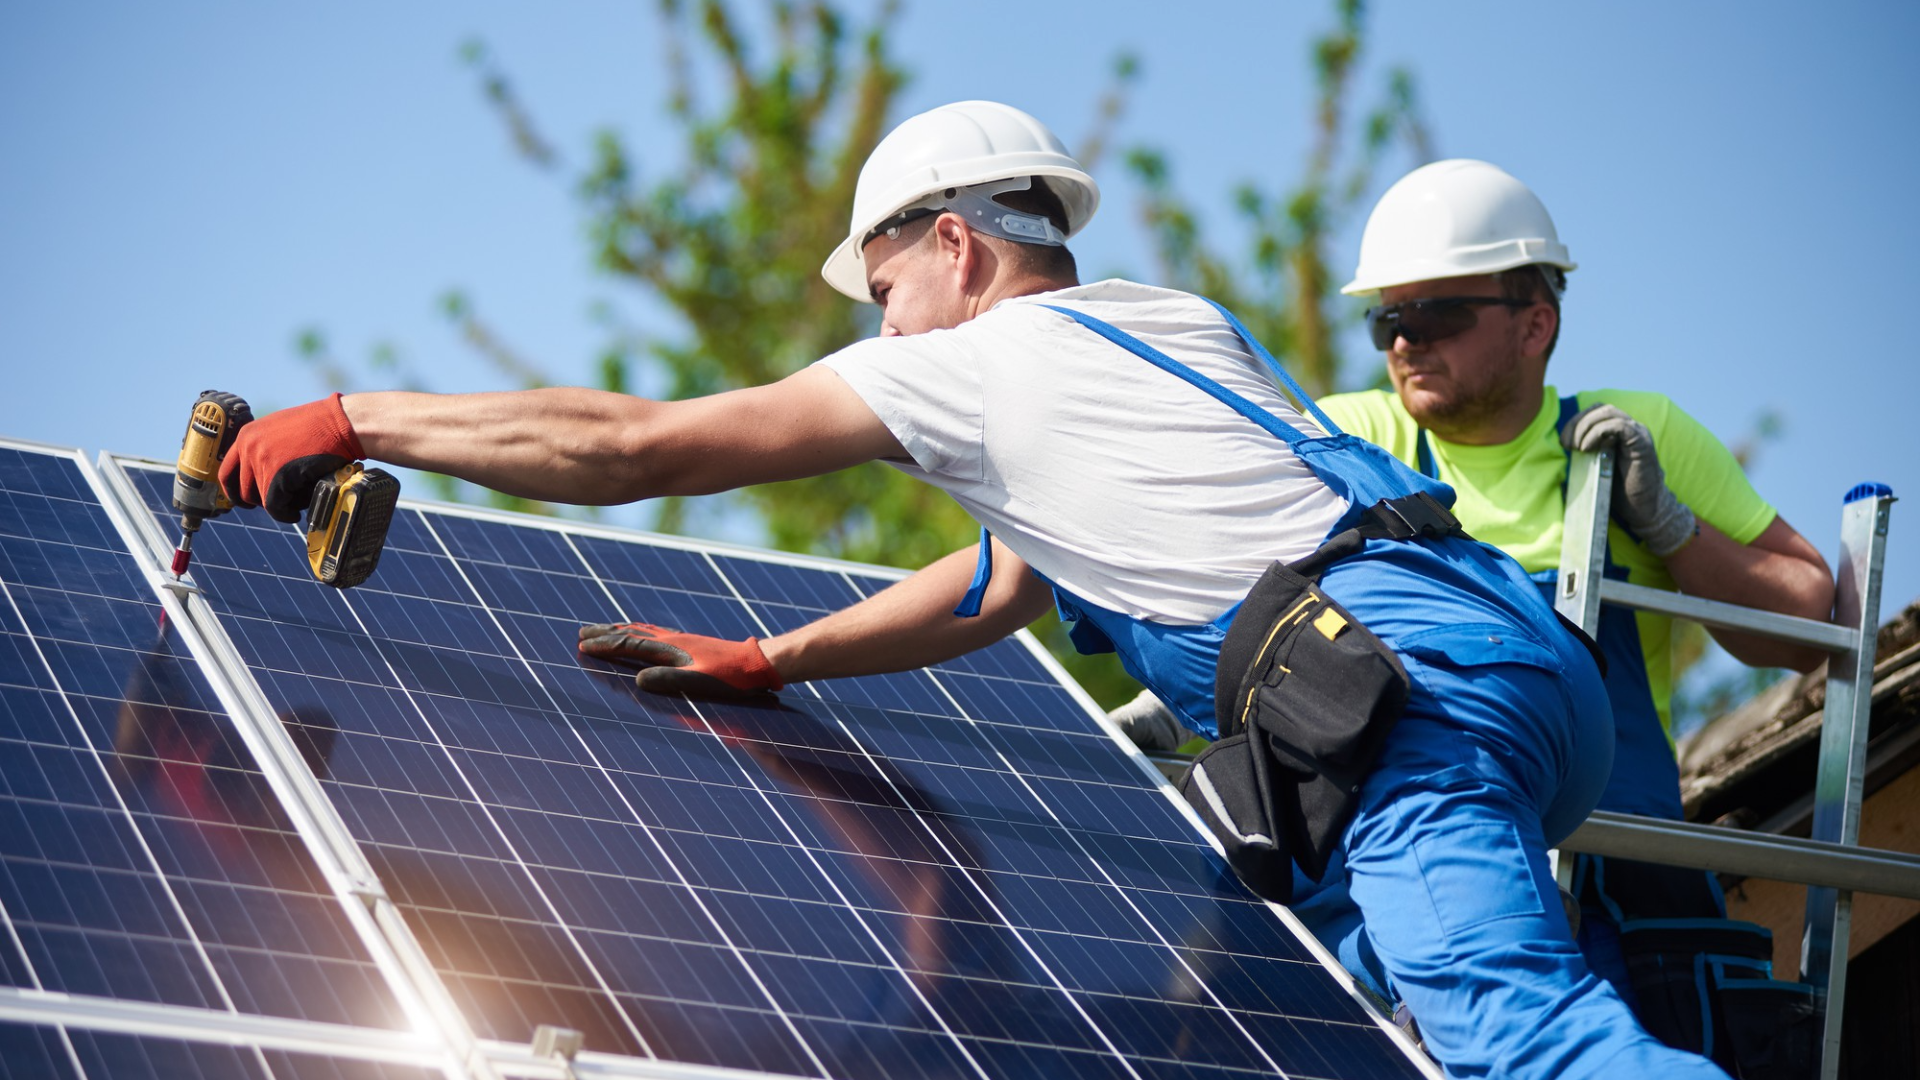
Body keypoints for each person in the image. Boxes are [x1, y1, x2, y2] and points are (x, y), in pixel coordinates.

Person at [219, 101, 1725, 1079]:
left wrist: (359, 420)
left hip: (1402, 707)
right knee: (1344, 1032)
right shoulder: (1171, 323)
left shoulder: (971, 365)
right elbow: (1000, 582)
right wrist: (778, 658)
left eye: (884, 293)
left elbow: (634, 445)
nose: (884, 330)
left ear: (953, 244)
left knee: (1524, 1036)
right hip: (1511, 664)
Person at [1119, 159, 1834, 1069]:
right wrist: (1177, 699)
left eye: (1438, 315)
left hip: (1624, 891)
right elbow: (1241, 607)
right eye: (1387, 320)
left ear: (1536, 323)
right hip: (1421, 878)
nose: (1406, 342)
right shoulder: (1351, 440)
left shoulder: (1633, 434)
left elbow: (1809, 621)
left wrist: (1670, 526)